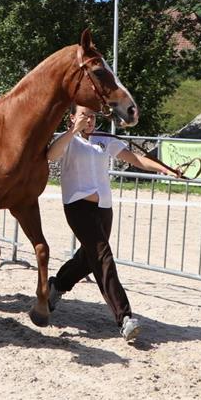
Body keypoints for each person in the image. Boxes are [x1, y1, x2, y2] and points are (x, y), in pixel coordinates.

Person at [45, 106, 181, 342]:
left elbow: (135, 158)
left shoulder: (103, 140)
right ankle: (125, 318)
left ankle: (57, 286)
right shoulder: (66, 140)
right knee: (103, 257)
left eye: (92, 116)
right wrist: (72, 131)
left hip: (104, 207)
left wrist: (165, 169)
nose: (89, 119)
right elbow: (51, 155)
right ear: (72, 117)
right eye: (84, 115)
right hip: (77, 206)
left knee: (88, 259)